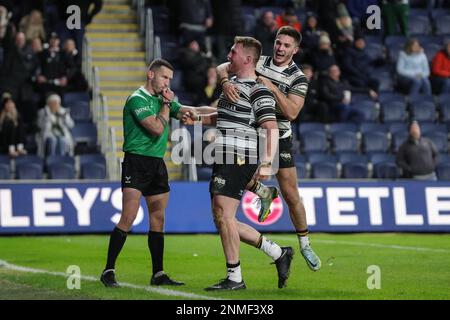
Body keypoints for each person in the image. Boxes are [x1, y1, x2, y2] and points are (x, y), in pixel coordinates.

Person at [184, 36, 293, 291]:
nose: (229, 55)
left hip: (240, 156)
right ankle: (278, 253)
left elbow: (271, 127)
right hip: (225, 155)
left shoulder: (259, 90)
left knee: (223, 213)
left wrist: (266, 164)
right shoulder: (232, 85)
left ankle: (235, 278)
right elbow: (222, 117)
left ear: (247, 59)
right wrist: (197, 119)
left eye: (233, 52)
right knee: (223, 217)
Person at [100, 58, 216, 288]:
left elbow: (189, 111)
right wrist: (166, 104)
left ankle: (158, 273)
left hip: (157, 164)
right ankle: (108, 270)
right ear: (150, 75)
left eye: (170, 80)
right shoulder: (137, 99)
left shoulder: (161, 99)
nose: (167, 83)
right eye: (164, 77)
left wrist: (222, 111)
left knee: (158, 218)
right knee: (129, 217)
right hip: (136, 162)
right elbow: (155, 128)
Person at [217, 26, 322, 273]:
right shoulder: (259, 61)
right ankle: (264, 192)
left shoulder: (298, 78)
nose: (280, 48)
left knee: (290, 193)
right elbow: (223, 66)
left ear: (295, 50)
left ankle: (305, 244)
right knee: (235, 179)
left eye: (286, 45)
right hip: (251, 132)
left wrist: (271, 87)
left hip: (278, 136)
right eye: (278, 42)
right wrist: (224, 82)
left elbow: (292, 112)